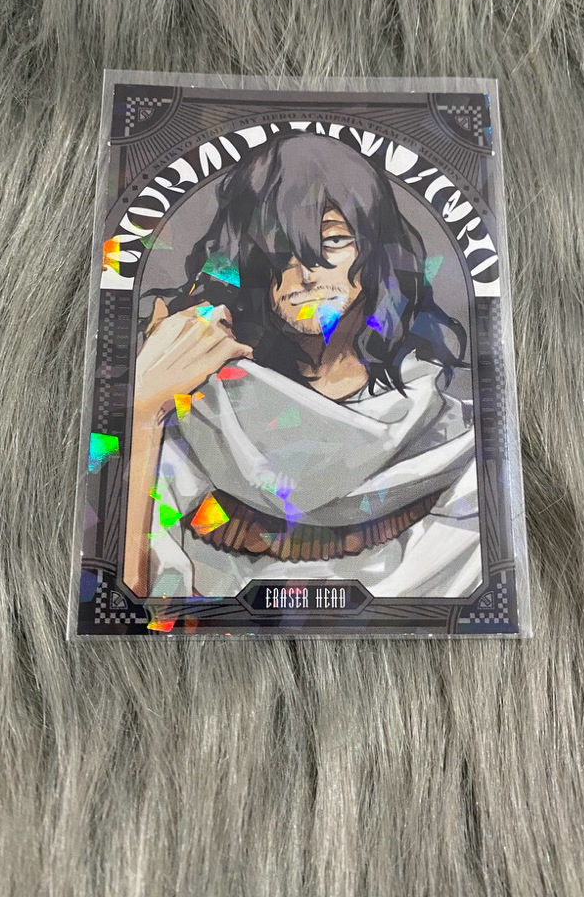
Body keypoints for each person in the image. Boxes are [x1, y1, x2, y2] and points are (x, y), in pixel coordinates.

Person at [123, 132, 481, 598]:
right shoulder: (194, 413)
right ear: (246, 261)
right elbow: (127, 602)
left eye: (333, 240)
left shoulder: (451, 437)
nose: (306, 273)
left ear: (375, 251)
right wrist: (141, 410)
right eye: (278, 248)